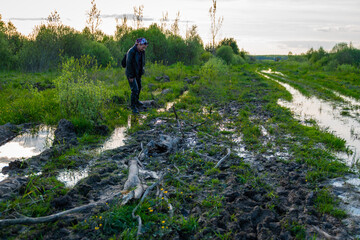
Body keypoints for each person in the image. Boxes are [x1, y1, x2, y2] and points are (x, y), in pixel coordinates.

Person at [125, 37, 149, 114]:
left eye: (145, 47)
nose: (143, 48)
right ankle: (133, 107)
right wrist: (130, 76)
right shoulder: (131, 51)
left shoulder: (142, 52)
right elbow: (128, 64)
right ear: (138, 44)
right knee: (134, 89)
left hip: (138, 72)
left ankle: (137, 101)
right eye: (142, 47)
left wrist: (142, 70)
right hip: (131, 73)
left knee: (139, 87)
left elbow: (142, 61)